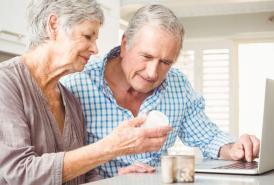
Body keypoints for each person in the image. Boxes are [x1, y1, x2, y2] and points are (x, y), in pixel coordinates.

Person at [61, 4, 261, 178]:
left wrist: (234, 148)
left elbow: (207, 137)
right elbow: (63, 164)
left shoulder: (177, 85)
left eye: (165, 62)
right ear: (124, 45)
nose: (152, 73)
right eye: (146, 56)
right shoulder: (76, 84)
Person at [0, 1, 172, 185]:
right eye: (88, 36)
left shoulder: (70, 100)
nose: (95, 49)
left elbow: (84, 175)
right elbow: (20, 173)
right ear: (54, 26)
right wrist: (110, 147)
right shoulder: (6, 83)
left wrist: (116, 180)